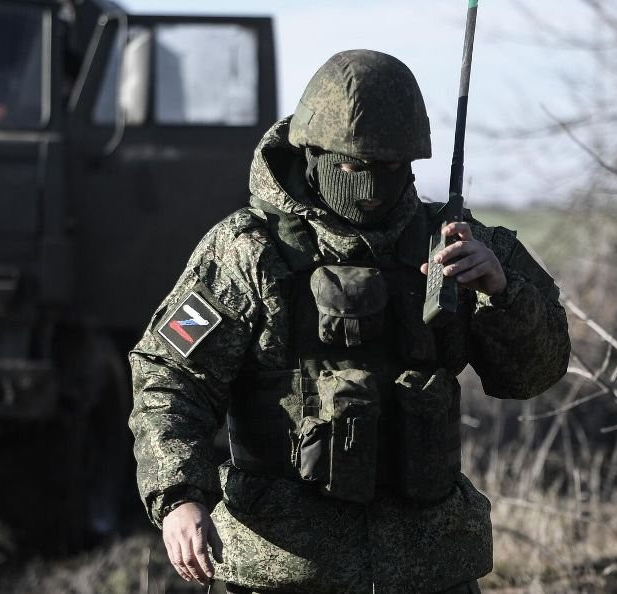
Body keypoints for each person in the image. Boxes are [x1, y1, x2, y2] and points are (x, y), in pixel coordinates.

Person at [129, 49, 570, 594]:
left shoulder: (460, 246)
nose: (371, 188)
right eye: (353, 168)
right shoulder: (247, 251)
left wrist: (502, 295)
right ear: (312, 154)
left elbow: (534, 375)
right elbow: (171, 378)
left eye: (389, 168)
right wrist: (178, 495)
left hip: (431, 565)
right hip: (285, 567)